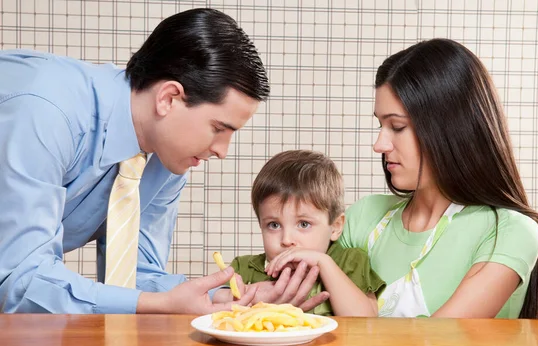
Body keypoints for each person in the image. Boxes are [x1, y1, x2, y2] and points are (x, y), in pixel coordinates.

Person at [0, 8, 328, 314]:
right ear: (168, 98)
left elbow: (138, 277)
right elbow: (18, 281)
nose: (222, 151)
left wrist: (224, 296)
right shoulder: (44, 113)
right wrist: (158, 305)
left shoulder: (166, 159)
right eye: (218, 129)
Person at [338, 38, 538, 319]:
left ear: (450, 128)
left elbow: (441, 344)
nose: (379, 145)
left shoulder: (508, 231)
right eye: (381, 125)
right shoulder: (364, 217)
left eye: (397, 127)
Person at [213, 150, 386, 316]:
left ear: (335, 227)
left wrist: (324, 263)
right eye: (273, 225)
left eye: (304, 224)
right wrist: (245, 296)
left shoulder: (349, 261)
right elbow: (208, 305)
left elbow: (365, 319)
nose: (287, 240)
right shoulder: (245, 268)